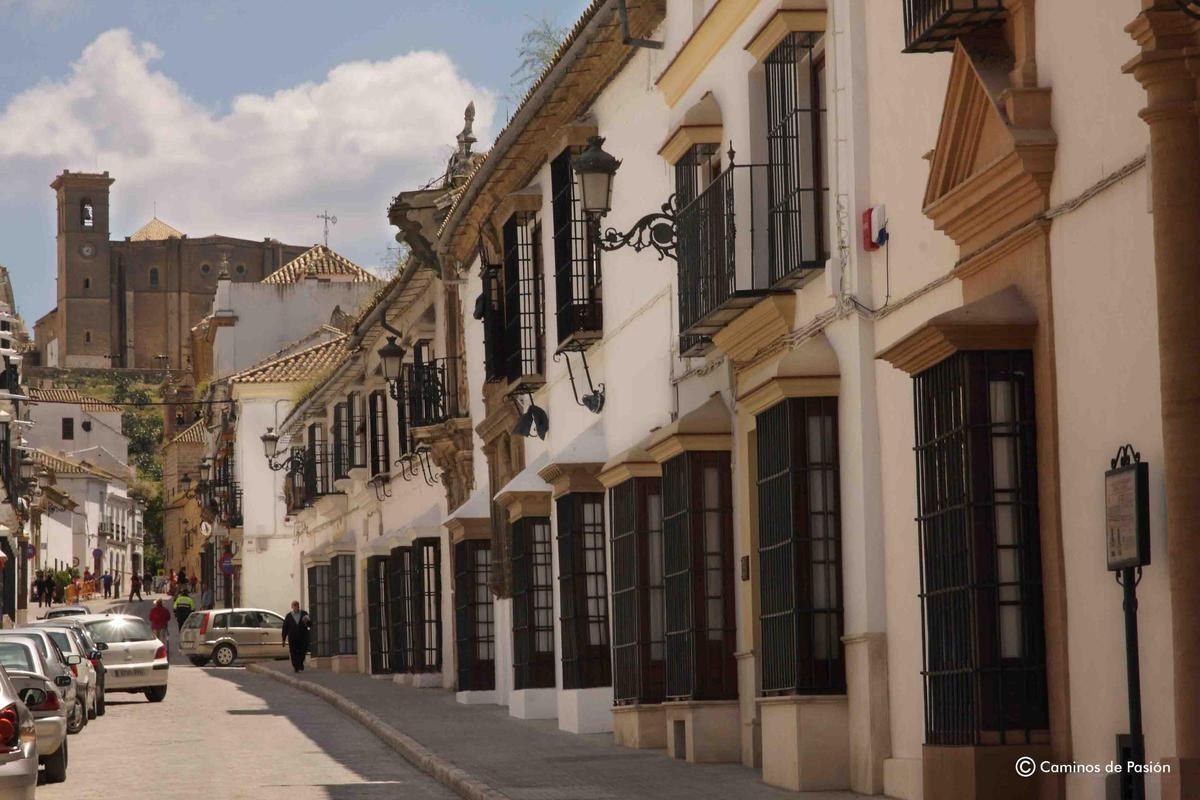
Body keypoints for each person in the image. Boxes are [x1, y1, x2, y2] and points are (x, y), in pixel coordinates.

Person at [280, 601, 312, 673]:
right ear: (292, 607)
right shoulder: (288, 616)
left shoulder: (304, 614)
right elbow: (285, 628)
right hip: (293, 637)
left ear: (298, 606)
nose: (295, 607)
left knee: (303, 651)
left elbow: (310, 625)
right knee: (293, 652)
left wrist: (307, 621)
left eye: (296, 605)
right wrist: (283, 639)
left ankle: (300, 663)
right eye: (294, 605)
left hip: (302, 636)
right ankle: (296, 666)